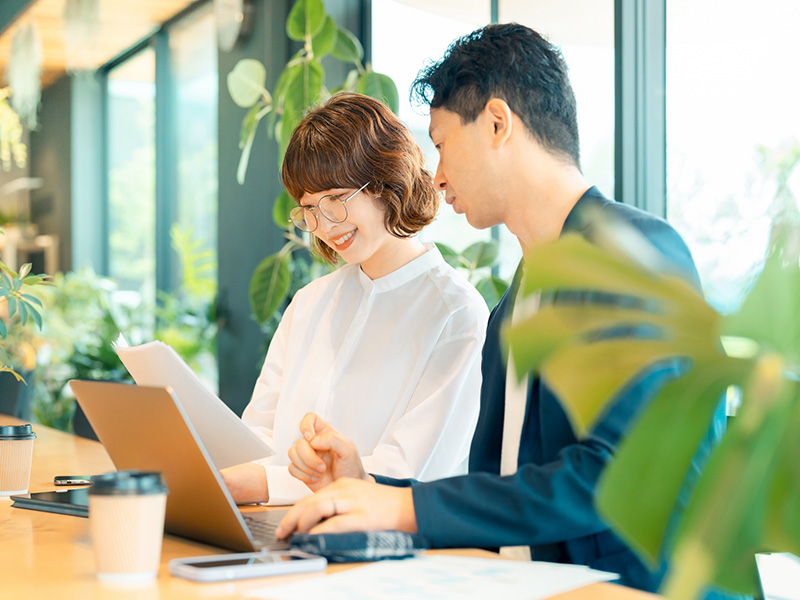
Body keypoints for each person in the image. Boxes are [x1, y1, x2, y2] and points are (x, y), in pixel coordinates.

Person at [275, 24, 727, 594]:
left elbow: (613, 477)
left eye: (440, 145)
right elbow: (504, 490)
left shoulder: (632, 255)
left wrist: (401, 510)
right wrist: (367, 488)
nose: (435, 178)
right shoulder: (517, 299)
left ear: (496, 123)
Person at [221, 92, 489, 506]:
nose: (324, 226)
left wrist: (263, 484)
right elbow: (256, 439)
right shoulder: (309, 303)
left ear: (385, 182)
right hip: (279, 531)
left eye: (336, 200)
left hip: (386, 550)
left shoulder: (456, 313)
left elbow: (407, 475)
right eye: (309, 207)